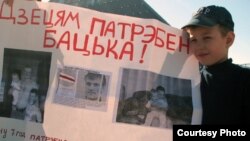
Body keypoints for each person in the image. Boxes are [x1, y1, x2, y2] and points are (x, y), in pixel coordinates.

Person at [182, 5, 250, 124]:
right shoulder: (192, 79)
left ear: (228, 39)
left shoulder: (245, 80)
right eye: (193, 40)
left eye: (207, 38)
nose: (199, 46)